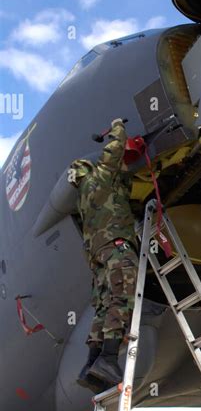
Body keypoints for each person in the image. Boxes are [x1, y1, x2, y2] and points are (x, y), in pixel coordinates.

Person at [69, 118, 139, 391]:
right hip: (116, 245)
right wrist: (117, 126)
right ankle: (109, 358)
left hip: (98, 255)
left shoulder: (83, 199)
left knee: (102, 304)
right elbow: (115, 149)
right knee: (122, 297)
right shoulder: (99, 177)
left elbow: (119, 190)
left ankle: (92, 363)